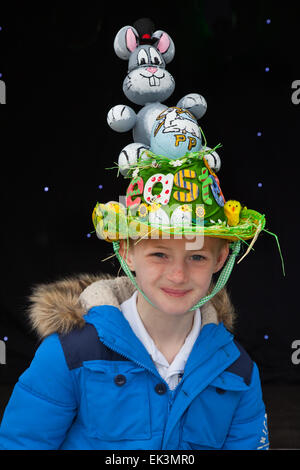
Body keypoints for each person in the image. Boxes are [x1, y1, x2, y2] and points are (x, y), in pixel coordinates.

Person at [0, 110, 271, 449]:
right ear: (127, 253)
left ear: (219, 259)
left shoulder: (238, 370)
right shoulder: (68, 354)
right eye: (159, 254)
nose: (178, 274)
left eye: (197, 257)